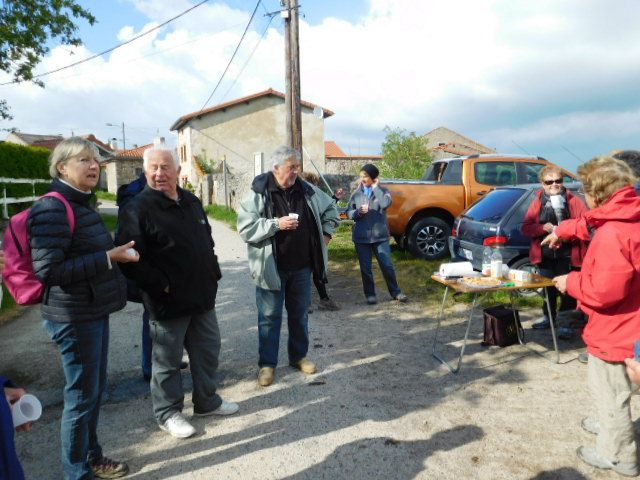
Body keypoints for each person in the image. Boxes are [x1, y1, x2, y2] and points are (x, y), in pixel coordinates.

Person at [28, 137, 137, 479]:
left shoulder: (80, 203)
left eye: (96, 161)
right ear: (62, 167)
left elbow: (77, 254)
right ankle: (77, 472)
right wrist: (108, 257)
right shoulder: (52, 208)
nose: (94, 166)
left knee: (92, 391)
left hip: (90, 311)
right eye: (85, 160)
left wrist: (112, 254)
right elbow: (49, 271)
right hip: (73, 317)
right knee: (80, 396)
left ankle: (92, 456)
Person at [116, 144, 238, 439]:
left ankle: (207, 401)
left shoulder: (191, 201)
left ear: (178, 170)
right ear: (145, 172)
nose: (160, 174)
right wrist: (163, 285)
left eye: (165, 167)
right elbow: (130, 261)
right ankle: (168, 413)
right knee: (167, 362)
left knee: (207, 351)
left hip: (201, 295)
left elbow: (206, 241)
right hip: (167, 300)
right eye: (154, 168)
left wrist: (213, 272)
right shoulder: (137, 209)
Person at [543, 156, 640, 476]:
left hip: (617, 330)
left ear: (596, 192)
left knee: (611, 392)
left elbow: (604, 290)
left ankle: (619, 455)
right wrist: (564, 230)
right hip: (630, 325)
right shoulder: (629, 214)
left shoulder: (614, 233)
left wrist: (571, 282)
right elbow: (589, 222)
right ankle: (611, 425)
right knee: (619, 391)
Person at [237, 146, 339, 387]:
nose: (296, 172)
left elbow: (331, 209)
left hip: (302, 267)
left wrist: (326, 235)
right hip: (271, 268)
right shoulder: (259, 192)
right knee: (269, 317)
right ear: (276, 168)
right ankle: (267, 365)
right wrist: (276, 225)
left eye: (297, 167)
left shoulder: (306, 190)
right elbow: (246, 228)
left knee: (299, 315)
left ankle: (298, 357)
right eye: (291, 167)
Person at [115, 172, 188, 381]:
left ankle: (168, 359)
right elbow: (134, 243)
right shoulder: (136, 199)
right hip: (153, 272)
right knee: (154, 318)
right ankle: (150, 367)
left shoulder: (149, 191)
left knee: (166, 317)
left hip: (167, 269)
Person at [522, 165, 588, 332]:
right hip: (545, 255)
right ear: (542, 183)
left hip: (568, 255)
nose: (554, 185)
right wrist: (542, 228)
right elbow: (526, 228)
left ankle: (566, 324)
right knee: (547, 289)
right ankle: (548, 318)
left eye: (558, 180)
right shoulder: (537, 202)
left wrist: (564, 233)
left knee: (568, 291)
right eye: (549, 181)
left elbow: (585, 227)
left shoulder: (574, 201)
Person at [346, 164, 407, 305]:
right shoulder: (356, 194)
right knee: (366, 269)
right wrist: (358, 212)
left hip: (380, 237)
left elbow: (385, 204)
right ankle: (370, 295)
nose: (362, 179)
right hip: (361, 237)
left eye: (365, 176)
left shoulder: (383, 191)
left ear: (373, 177)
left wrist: (375, 188)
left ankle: (396, 292)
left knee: (387, 266)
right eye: (361, 176)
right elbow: (348, 213)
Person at [301, 171, 341, 311]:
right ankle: (305, 302)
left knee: (315, 268)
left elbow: (331, 209)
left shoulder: (311, 191)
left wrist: (326, 233)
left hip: (313, 240)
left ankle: (321, 300)